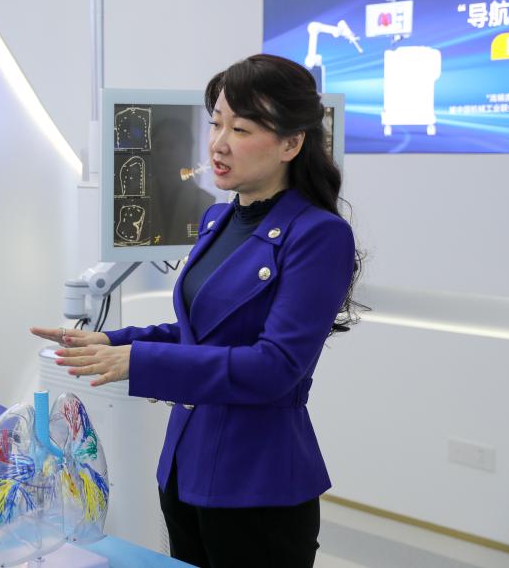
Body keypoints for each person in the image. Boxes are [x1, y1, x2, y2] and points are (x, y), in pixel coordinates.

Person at [31, 54, 362, 568]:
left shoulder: (319, 235)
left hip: (258, 483)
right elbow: (202, 331)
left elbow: (276, 366)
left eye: (241, 129)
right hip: (185, 467)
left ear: (291, 144)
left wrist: (140, 362)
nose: (219, 143)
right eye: (216, 123)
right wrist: (115, 341)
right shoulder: (217, 220)